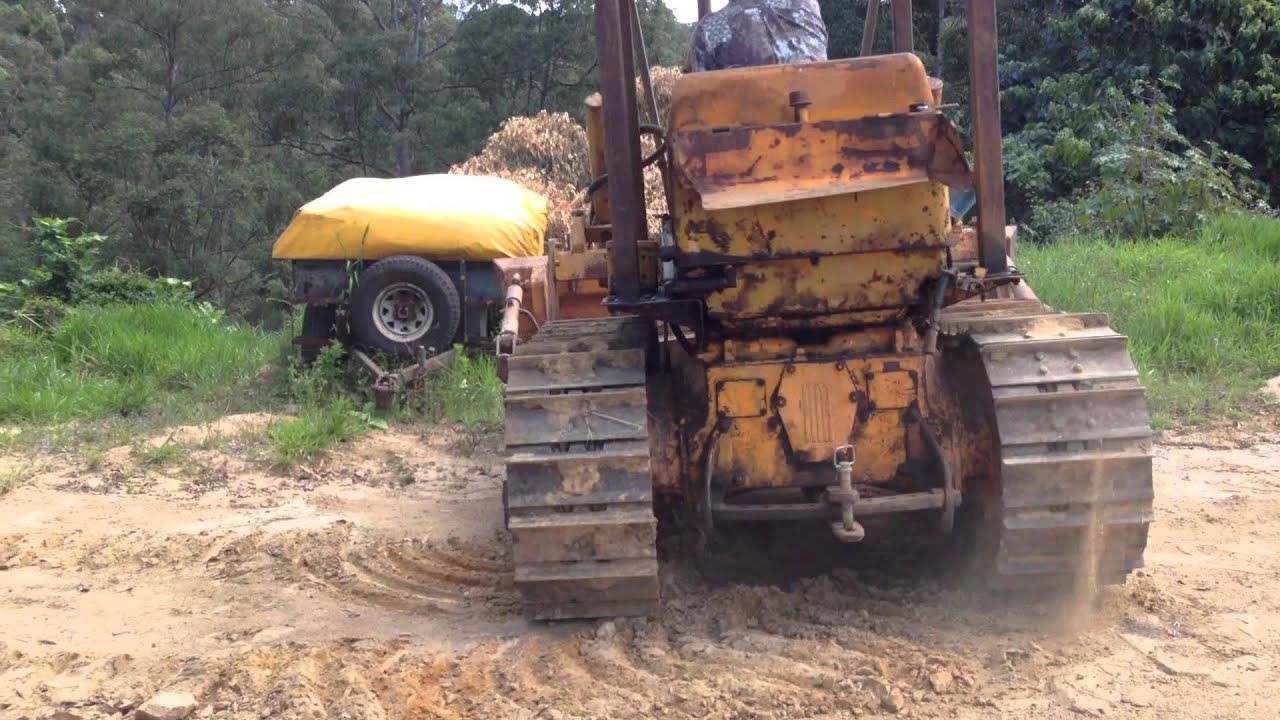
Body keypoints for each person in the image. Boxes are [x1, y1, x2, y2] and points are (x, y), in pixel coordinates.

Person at [687, 0, 829, 72]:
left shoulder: (707, 30)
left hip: (742, 124)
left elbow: (701, 103)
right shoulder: (806, 7)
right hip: (820, 116)